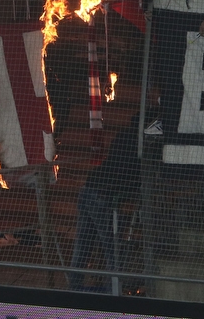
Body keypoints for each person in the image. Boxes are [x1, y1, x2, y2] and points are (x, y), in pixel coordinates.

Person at [68, 115, 141, 290]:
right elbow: (131, 173)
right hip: (103, 195)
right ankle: (111, 292)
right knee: (113, 248)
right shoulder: (140, 143)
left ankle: (75, 288)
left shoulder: (124, 135)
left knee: (84, 243)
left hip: (91, 187)